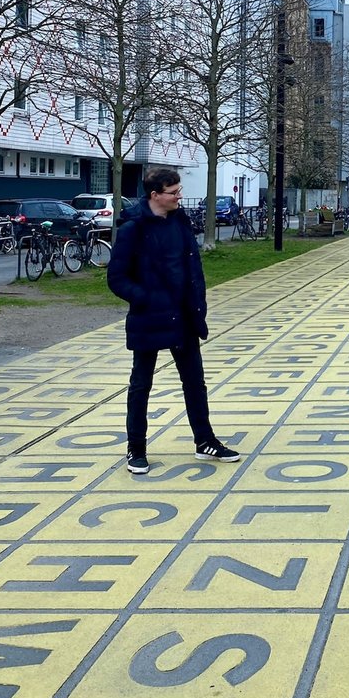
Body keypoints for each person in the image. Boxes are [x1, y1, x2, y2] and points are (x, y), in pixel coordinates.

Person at [107, 166, 240, 474]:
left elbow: (192, 268)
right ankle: (136, 450)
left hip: (183, 316)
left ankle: (205, 442)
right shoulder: (133, 229)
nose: (180, 196)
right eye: (174, 192)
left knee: (195, 382)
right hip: (149, 317)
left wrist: (198, 303)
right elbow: (116, 279)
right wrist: (148, 298)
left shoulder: (180, 221)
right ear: (155, 195)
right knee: (141, 384)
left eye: (179, 190)